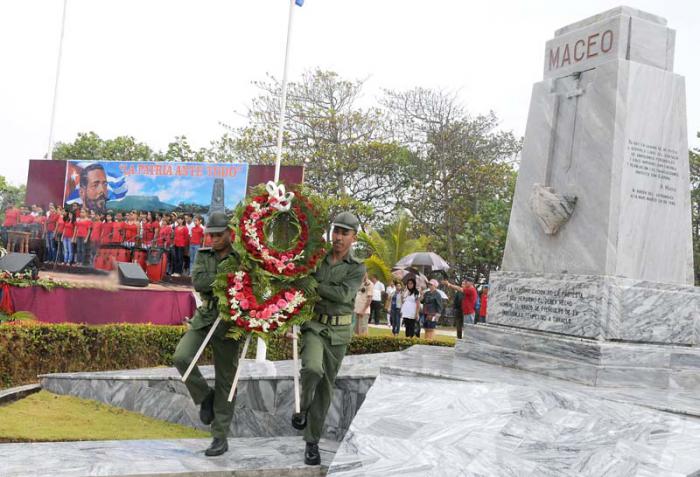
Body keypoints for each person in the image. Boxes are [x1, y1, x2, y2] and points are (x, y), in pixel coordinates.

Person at [291, 211, 365, 466]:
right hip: (314, 326)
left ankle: (311, 442)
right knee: (311, 369)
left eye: (345, 233)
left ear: (354, 237)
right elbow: (301, 281)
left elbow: (344, 296)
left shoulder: (357, 268)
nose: (338, 237)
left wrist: (315, 286)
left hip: (338, 334)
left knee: (325, 388)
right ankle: (302, 408)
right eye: (336, 231)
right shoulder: (317, 259)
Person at [172, 212, 242, 457]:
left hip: (231, 322)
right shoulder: (203, 255)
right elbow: (199, 283)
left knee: (226, 381)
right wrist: (228, 280)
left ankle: (219, 437)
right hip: (206, 316)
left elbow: (247, 285)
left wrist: (229, 282)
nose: (212, 238)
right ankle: (205, 396)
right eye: (209, 234)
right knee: (182, 358)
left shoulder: (242, 258)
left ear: (229, 234)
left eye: (217, 234)